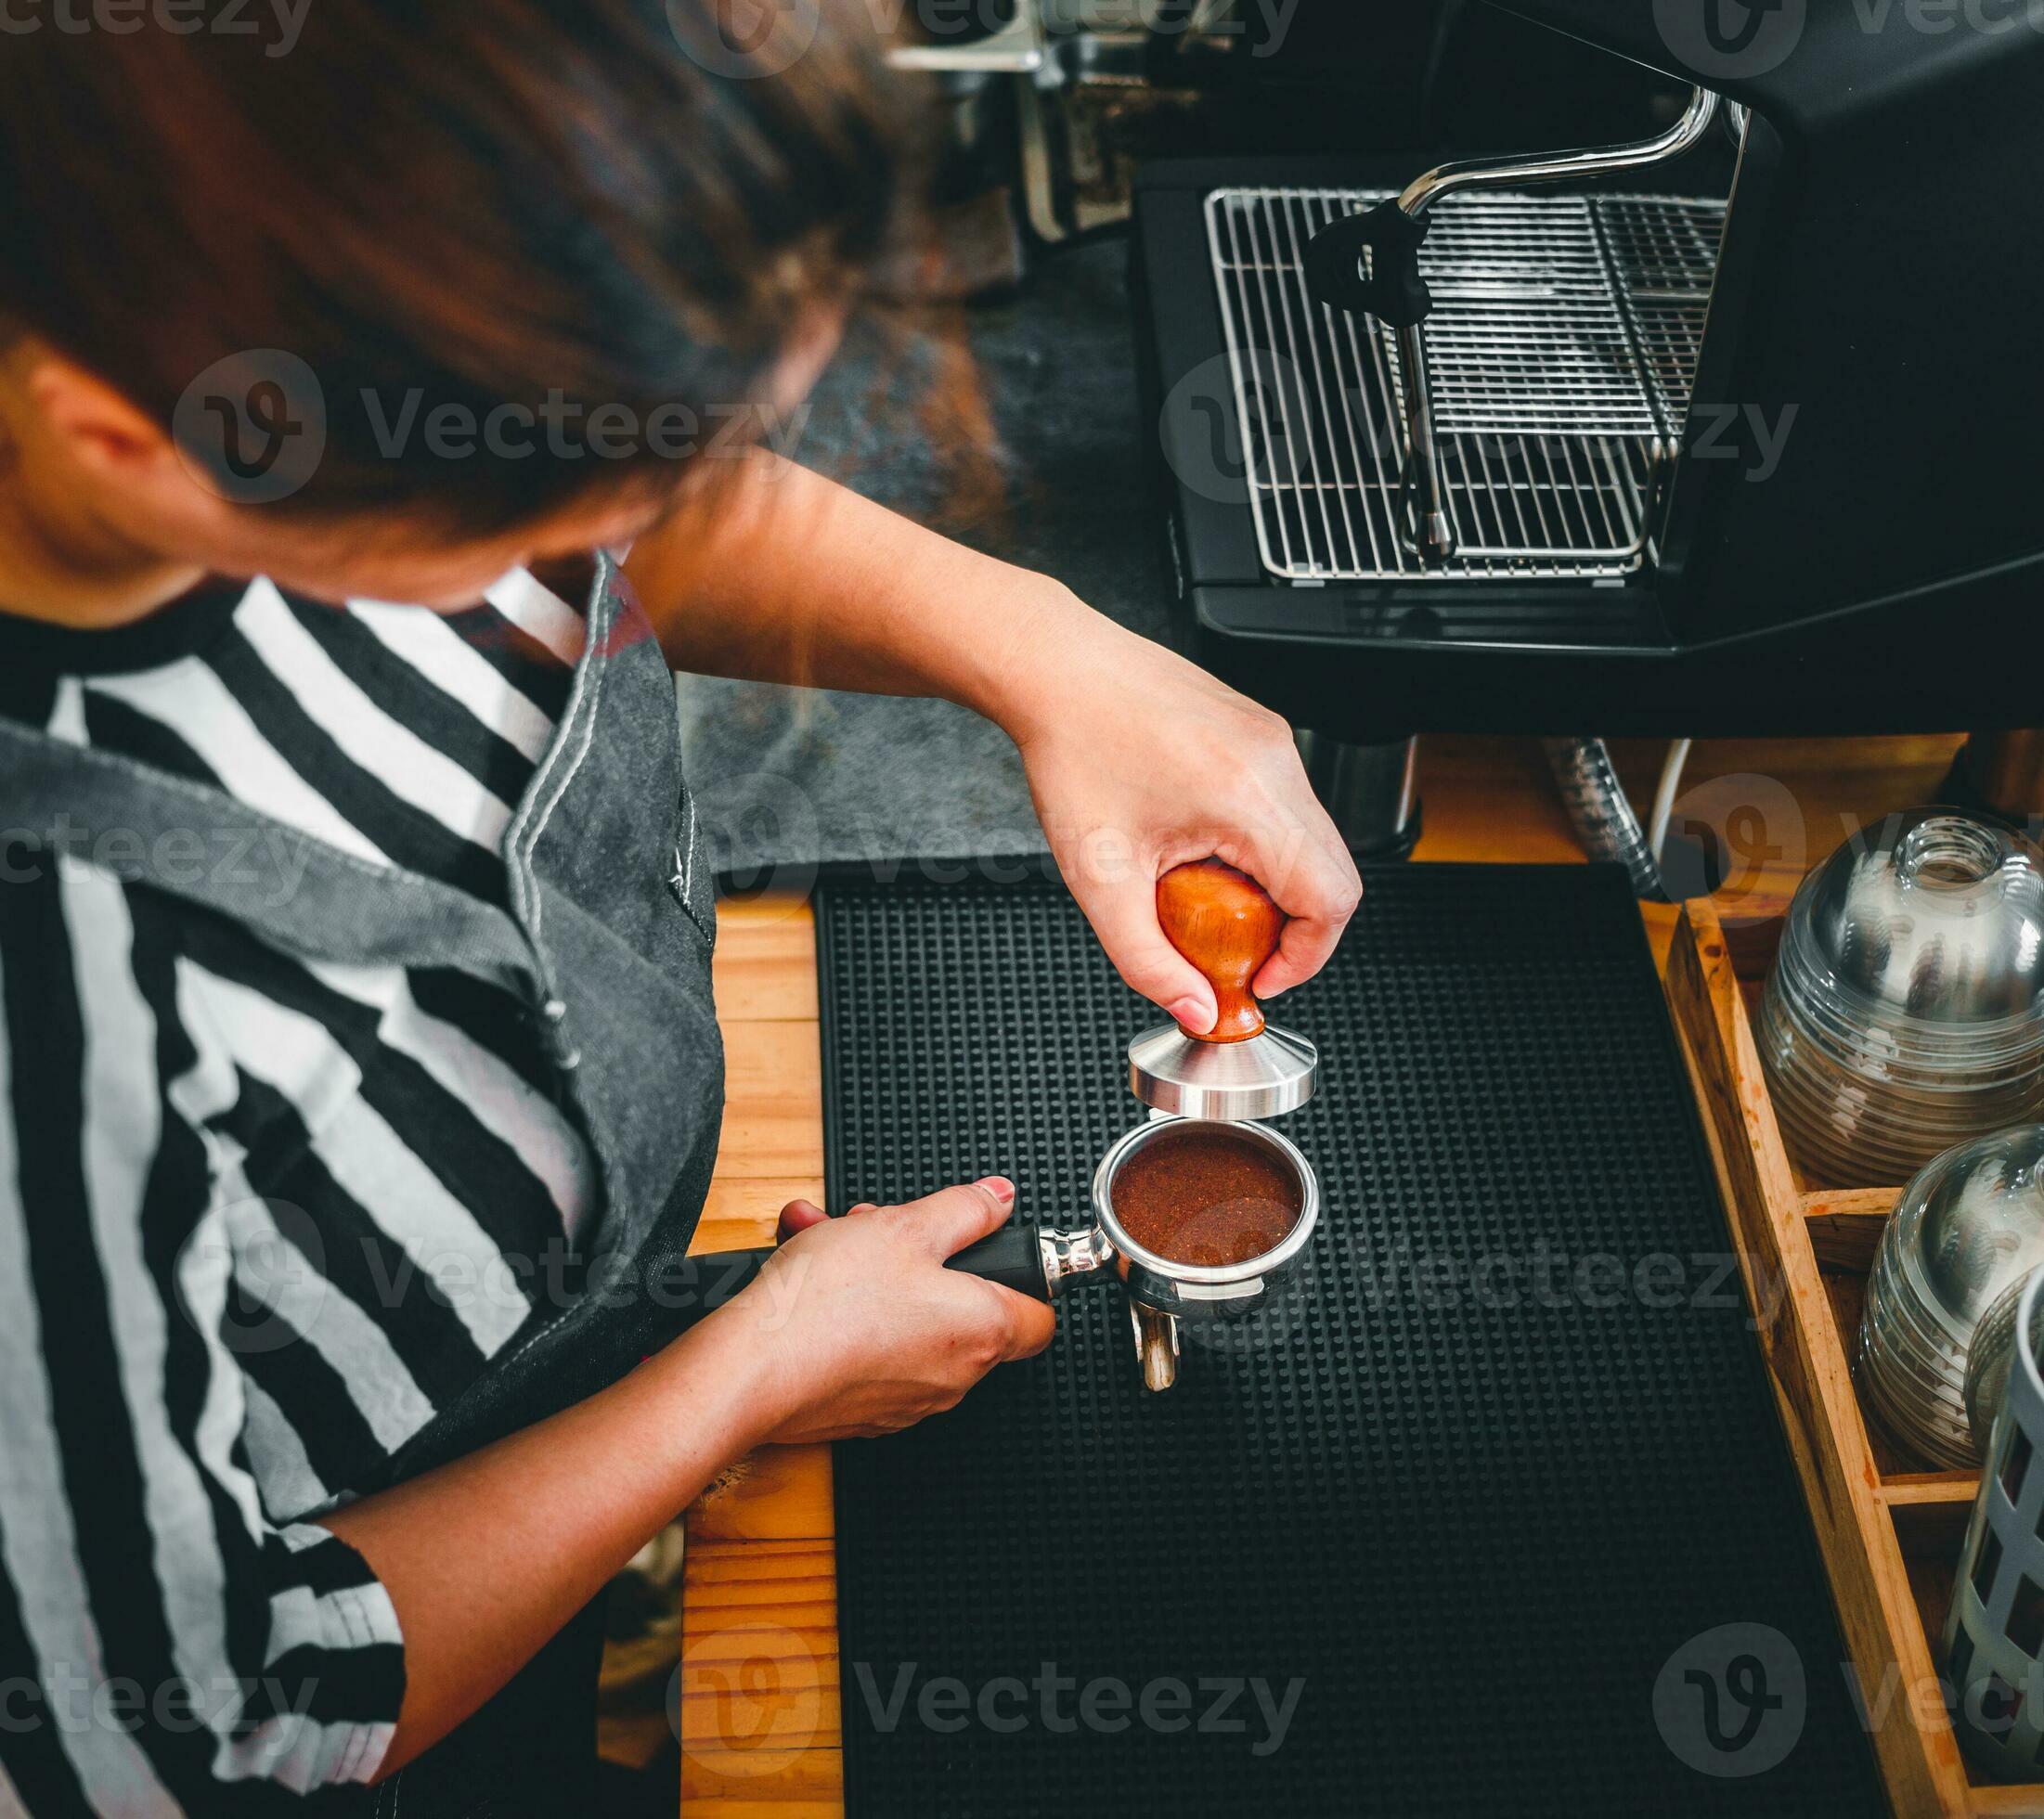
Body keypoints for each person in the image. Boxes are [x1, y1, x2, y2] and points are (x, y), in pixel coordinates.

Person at [0, 4, 1361, 1811]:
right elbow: (207, 1721)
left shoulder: (271, 306)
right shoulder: (55, 1006)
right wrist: (729, 1385)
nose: (627, 529)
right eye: (564, 496)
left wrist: (1048, 655)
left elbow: (600, 496)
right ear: (120, 438)